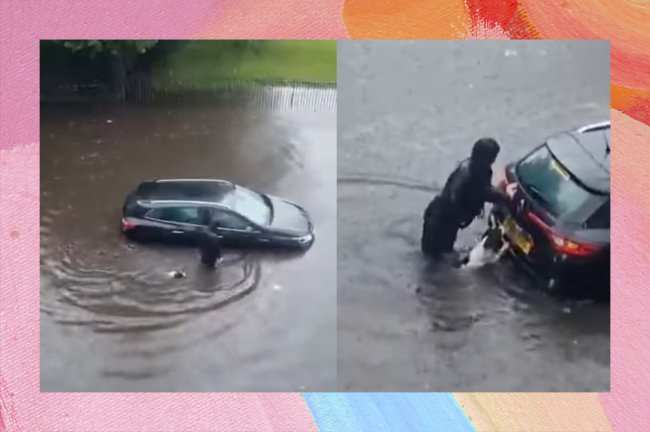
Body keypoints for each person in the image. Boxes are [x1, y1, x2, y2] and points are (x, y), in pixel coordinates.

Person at [421, 137, 512, 260]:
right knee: (435, 257)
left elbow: (485, 190)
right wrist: (505, 197)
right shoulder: (469, 174)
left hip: (446, 219)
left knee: (441, 254)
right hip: (440, 221)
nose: (493, 160)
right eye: (492, 157)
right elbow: (481, 193)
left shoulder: (479, 169)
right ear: (483, 156)